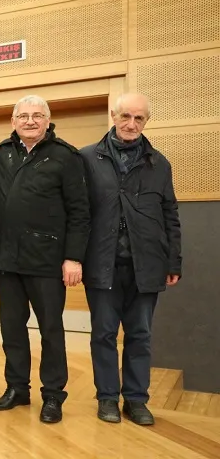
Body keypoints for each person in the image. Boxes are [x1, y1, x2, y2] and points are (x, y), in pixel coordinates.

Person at [0, 95, 90, 424]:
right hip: (7, 258)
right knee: (12, 329)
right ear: (13, 121)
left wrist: (73, 257)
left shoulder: (65, 157)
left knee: (51, 330)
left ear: (48, 120)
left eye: (37, 115)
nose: (29, 121)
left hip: (47, 260)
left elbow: (80, 212)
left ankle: (53, 395)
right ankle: (17, 388)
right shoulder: (0, 155)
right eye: (23, 116)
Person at [80, 93, 181, 426]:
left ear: (146, 121)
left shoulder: (159, 163)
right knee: (103, 334)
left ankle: (136, 400)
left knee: (140, 335)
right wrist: (72, 258)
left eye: (139, 118)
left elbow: (170, 215)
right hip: (102, 264)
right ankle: (108, 397)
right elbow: (76, 214)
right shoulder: (86, 158)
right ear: (114, 115)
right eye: (126, 116)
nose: (131, 124)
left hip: (147, 266)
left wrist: (173, 262)